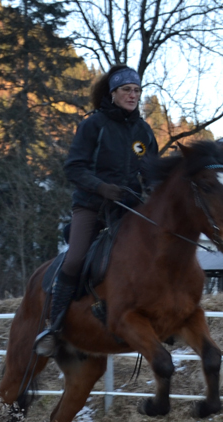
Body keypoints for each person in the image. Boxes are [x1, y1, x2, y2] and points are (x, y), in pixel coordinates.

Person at [34, 65, 158, 356]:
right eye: (127, 90)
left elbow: (152, 172)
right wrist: (102, 188)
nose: (133, 95)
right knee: (75, 258)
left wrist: (154, 191)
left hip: (129, 209)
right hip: (91, 205)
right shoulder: (93, 125)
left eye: (137, 90)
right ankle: (55, 326)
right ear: (113, 93)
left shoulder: (144, 131)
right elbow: (73, 167)